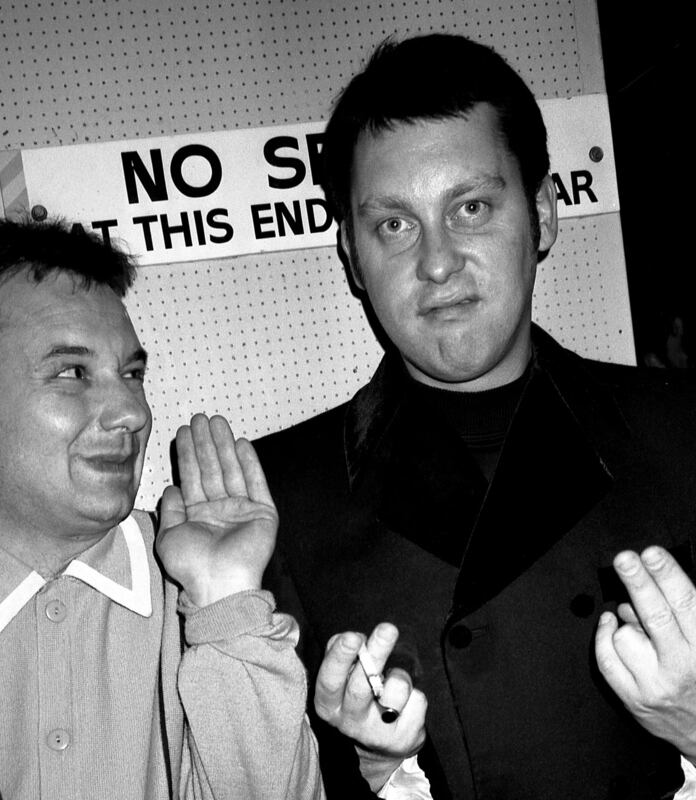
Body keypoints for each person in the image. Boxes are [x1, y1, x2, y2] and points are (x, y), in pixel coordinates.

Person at [255, 34, 696, 800]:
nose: (436, 261)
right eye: (394, 224)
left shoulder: (683, 431)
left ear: (544, 216)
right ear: (353, 259)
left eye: (471, 207)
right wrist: (374, 769)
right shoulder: (276, 499)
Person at [0, 219, 325, 799]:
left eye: (131, 374)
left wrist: (224, 603)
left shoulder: (205, 592)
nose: (131, 411)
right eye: (73, 373)